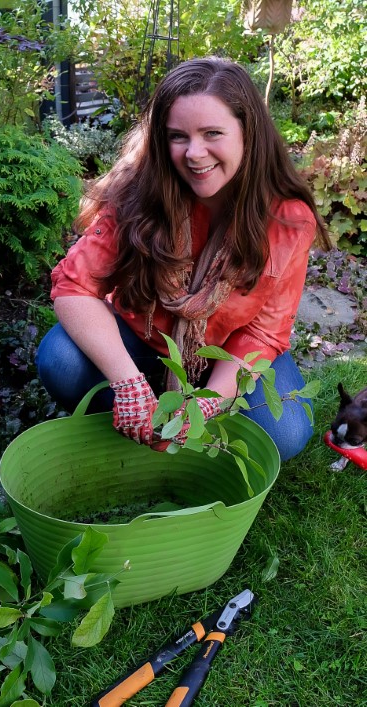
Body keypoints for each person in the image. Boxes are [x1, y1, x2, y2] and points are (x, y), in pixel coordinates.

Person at [36, 57, 331, 461]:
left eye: (212, 133)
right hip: (142, 341)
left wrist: (210, 400)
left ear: (249, 134)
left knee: (287, 434)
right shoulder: (139, 192)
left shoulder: (288, 221)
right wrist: (127, 383)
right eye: (178, 136)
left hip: (226, 354)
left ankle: (186, 422)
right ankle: (139, 416)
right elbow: (74, 287)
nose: (194, 153)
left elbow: (264, 334)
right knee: (61, 360)